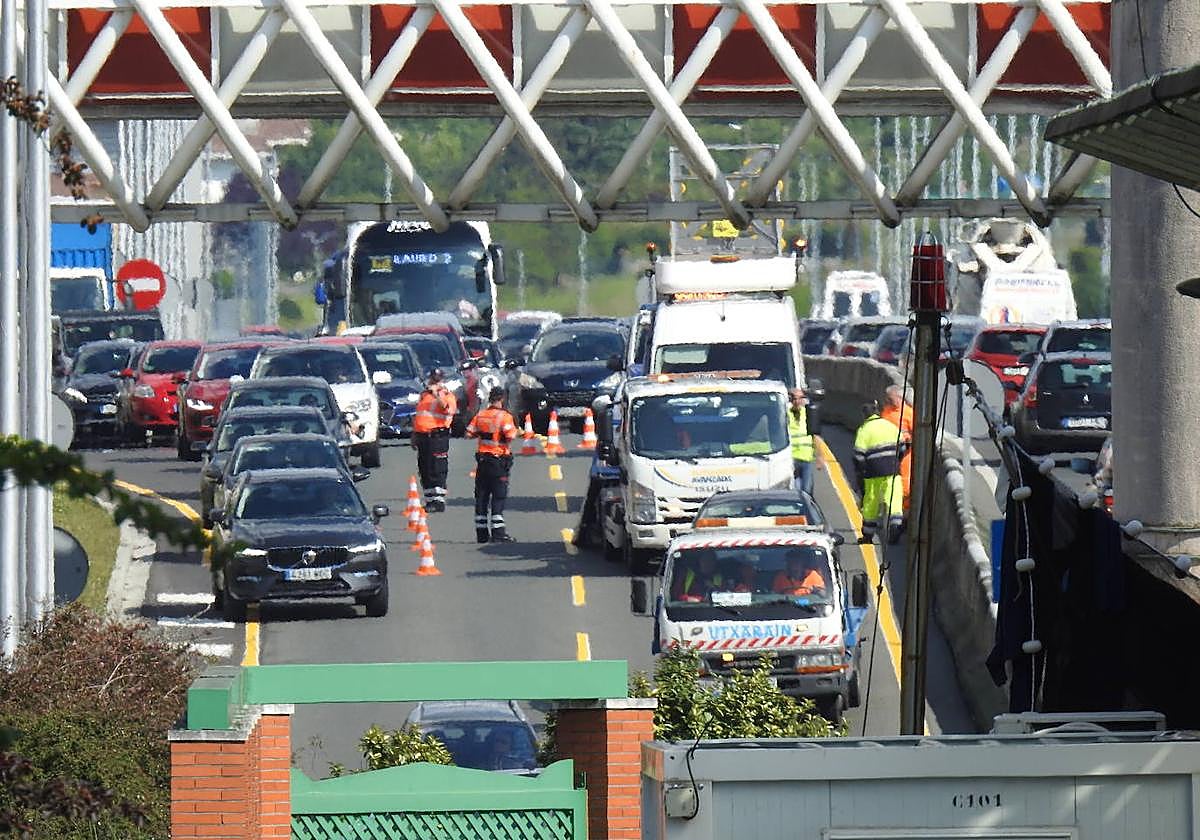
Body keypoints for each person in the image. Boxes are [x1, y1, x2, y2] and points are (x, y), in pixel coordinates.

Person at [466, 387, 518, 543]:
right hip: (498, 461)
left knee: (481, 496)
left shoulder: (480, 415)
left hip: (482, 461)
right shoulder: (504, 417)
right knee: (498, 496)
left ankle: (481, 534)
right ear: (502, 399)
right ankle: (498, 533)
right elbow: (510, 436)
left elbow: (468, 433)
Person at [853, 400, 906, 544]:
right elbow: (902, 446)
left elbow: (858, 455)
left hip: (873, 471)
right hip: (892, 469)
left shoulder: (864, 430)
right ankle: (896, 526)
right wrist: (896, 460)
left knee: (871, 502)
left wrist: (861, 471)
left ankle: (868, 535)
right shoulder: (890, 426)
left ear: (865, 415)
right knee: (894, 500)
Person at [412, 368, 458, 511]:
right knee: (424, 468)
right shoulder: (424, 395)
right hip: (422, 436)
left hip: (437, 436)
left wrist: (436, 393)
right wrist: (414, 435)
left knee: (436, 468)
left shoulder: (447, 395)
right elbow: (419, 416)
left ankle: (438, 501)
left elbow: (446, 409)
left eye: (436, 380)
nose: (433, 382)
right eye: (433, 379)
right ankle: (430, 499)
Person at [880, 384, 913, 510]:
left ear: (899, 397)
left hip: (905, 456)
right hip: (888, 453)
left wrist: (907, 441)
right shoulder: (886, 411)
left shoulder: (909, 413)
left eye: (891, 398)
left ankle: (904, 513)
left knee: (905, 486)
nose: (888, 400)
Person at [788, 388, 816, 496]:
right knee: (796, 491)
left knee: (807, 491)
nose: (797, 401)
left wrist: (819, 456)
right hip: (792, 459)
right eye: (794, 398)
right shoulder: (785, 414)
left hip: (806, 458)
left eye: (800, 398)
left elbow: (815, 434)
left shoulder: (808, 413)